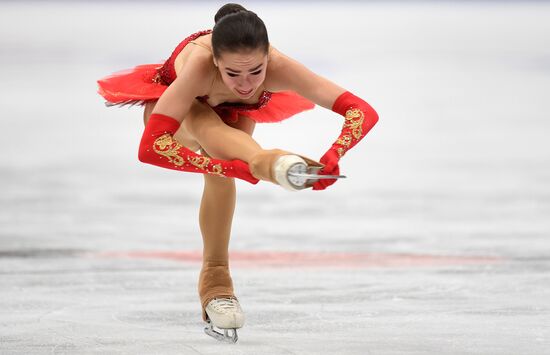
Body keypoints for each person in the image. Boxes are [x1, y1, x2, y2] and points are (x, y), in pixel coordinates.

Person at [97, 3, 378, 343]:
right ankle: (273, 165)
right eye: (233, 74)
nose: (245, 84)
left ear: (267, 57)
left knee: (222, 157)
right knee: (206, 126)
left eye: (256, 71)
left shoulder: (279, 66)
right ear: (216, 61)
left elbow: (360, 110)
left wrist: (336, 151)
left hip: (232, 120)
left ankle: (217, 283)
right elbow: (151, 146)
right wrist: (223, 165)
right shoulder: (199, 66)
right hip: (178, 111)